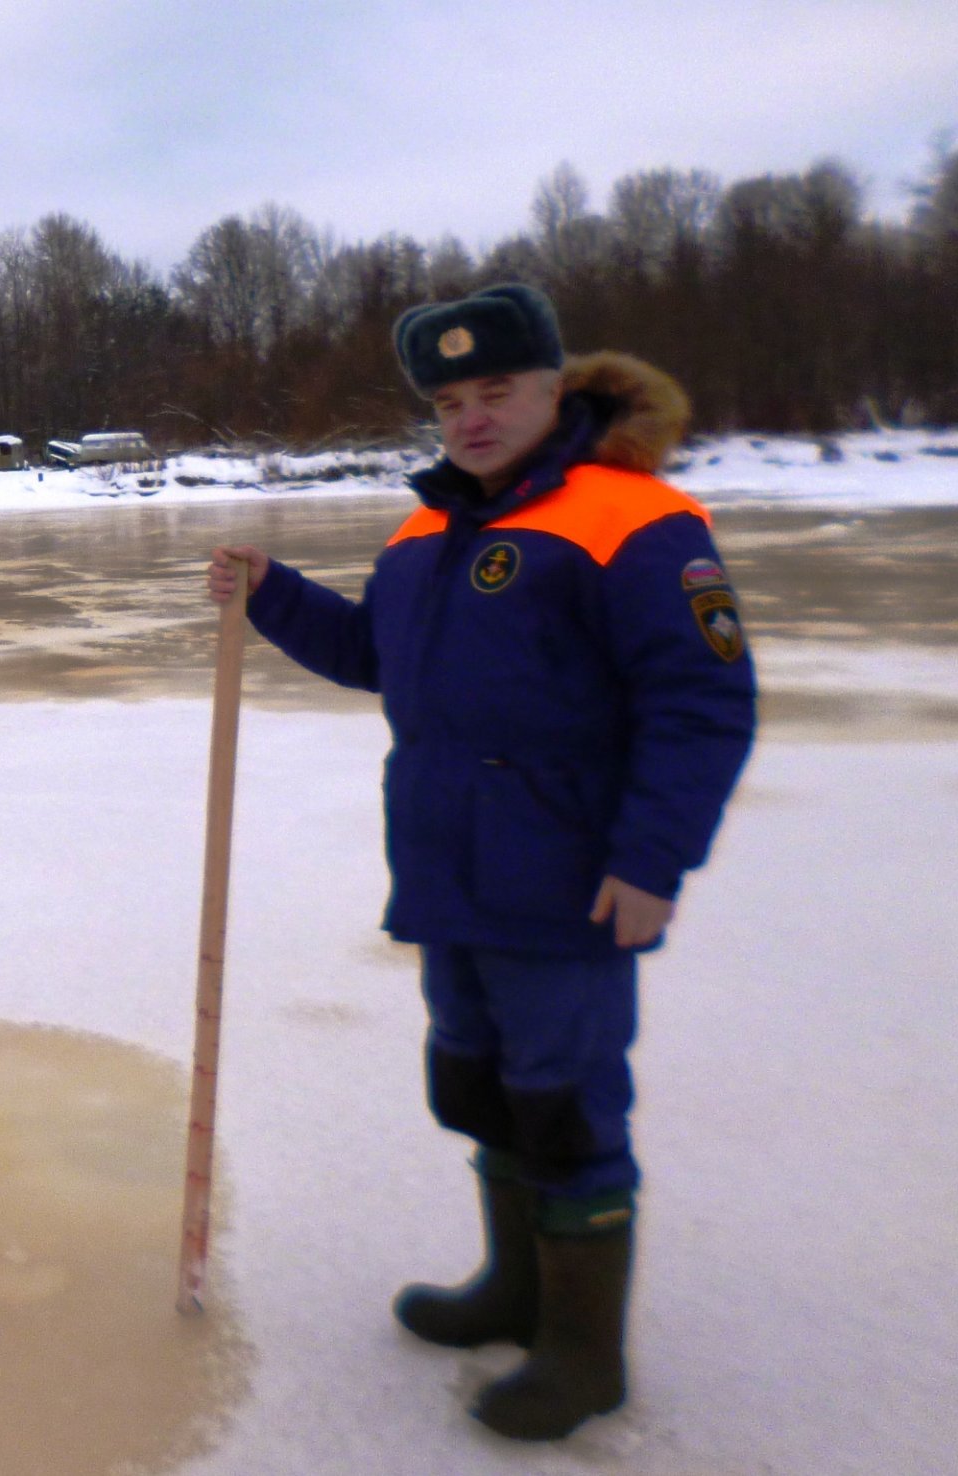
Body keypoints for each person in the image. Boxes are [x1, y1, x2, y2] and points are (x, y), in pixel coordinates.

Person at [207, 284, 755, 1440]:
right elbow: (377, 656)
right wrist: (274, 597)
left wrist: (653, 862)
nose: (471, 416)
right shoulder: (428, 529)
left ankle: (584, 1353)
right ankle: (514, 1288)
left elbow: (700, 702)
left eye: (496, 389)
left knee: (565, 1104)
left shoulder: (633, 516)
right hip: (448, 876)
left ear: (558, 386)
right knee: (479, 1083)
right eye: (450, 398)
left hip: (568, 884)